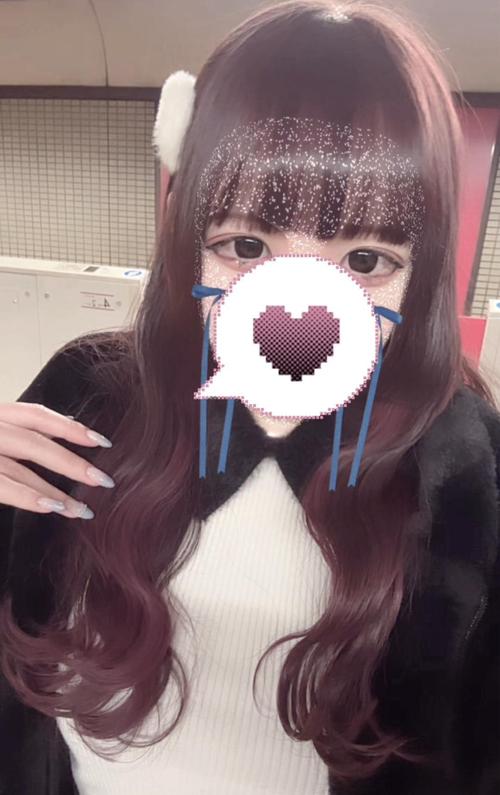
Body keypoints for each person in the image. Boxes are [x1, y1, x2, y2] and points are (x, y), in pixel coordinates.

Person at [0, 1, 498, 793]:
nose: (296, 310)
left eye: (364, 259)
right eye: (245, 245)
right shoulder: (89, 392)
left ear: (423, 271)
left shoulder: (462, 464)